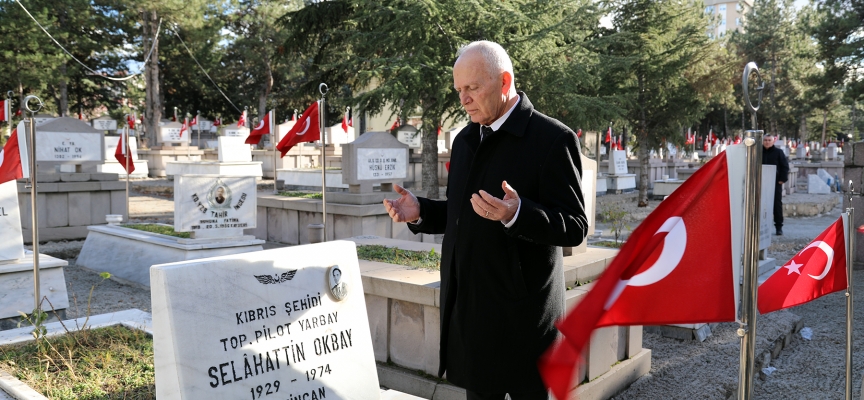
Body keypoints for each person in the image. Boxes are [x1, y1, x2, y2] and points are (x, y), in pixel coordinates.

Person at [382, 41, 587, 400]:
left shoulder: (553, 139)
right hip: (474, 317)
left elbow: (574, 226)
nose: (463, 99)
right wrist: (421, 212)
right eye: (459, 90)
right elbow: (465, 213)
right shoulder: (464, 141)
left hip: (525, 322)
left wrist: (519, 214)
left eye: (473, 88)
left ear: (504, 82)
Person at [762, 134, 789, 235]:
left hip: (775, 182)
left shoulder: (779, 152)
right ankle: (760, 226)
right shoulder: (757, 152)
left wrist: (782, 179)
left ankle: (778, 227)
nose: (767, 142)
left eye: (769, 140)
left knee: (776, 205)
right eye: (765, 140)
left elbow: (785, 166)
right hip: (760, 182)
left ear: (773, 141)